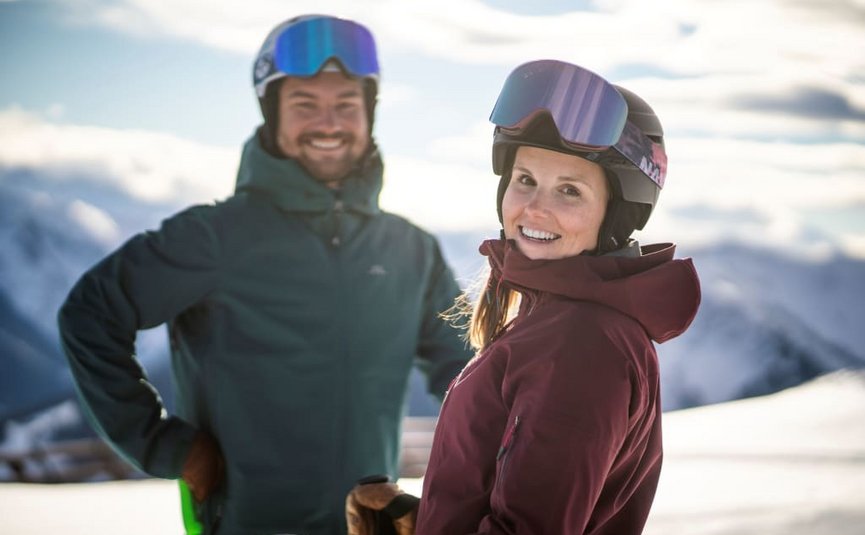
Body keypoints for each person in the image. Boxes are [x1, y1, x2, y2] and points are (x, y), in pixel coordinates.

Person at [57, 14, 472, 535]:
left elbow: (467, 372)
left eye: (347, 104)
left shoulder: (411, 248)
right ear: (271, 113)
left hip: (366, 523)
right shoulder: (215, 236)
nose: (329, 123)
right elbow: (90, 314)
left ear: (370, 114)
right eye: (305, 104)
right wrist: (164, 446)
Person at [348, 59, 700, 534]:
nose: (535, 208)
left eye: (570, 191)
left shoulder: (583, 344)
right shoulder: (561, 322)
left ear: (616, 216)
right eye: (526, 180)